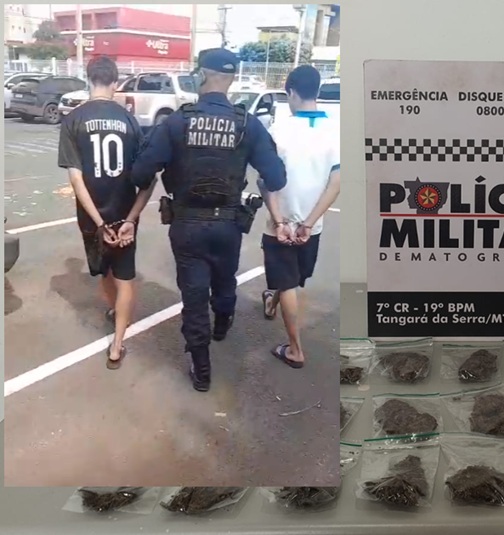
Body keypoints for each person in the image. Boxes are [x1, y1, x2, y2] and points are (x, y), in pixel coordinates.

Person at [130, 48, 287, 392]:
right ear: (231, 79)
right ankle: (223, 322)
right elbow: (276, 178)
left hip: (187, 224)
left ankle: (201, 369)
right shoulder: (247, 123)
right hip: (229, 224)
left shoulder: (177, 122)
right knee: (225, 278)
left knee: (194, 295)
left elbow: (141, 173)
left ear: (201, 75)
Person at [57, 55, 155, 370]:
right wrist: (130, 218)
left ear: (89, 79)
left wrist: (99, 223)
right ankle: (117, 345)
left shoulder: (73, 119)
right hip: (124, 215)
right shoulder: (129, 120)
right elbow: (147, 177)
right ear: (115, 82)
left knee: (104, 271)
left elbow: (76, 179)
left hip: (92, 219)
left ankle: (115, 310)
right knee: (125, 277)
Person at [260, 65, 341, 368]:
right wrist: (308, 223)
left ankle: (295, 349)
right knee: (291, 278)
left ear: (291, 92)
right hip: (312, 227)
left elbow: (267, 182)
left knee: (287, 283)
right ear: (317, 90)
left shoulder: (279, 131)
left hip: (279, 225)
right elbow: (336, 183)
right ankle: (272, 303)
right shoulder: (336, 131)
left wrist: (280, 221)